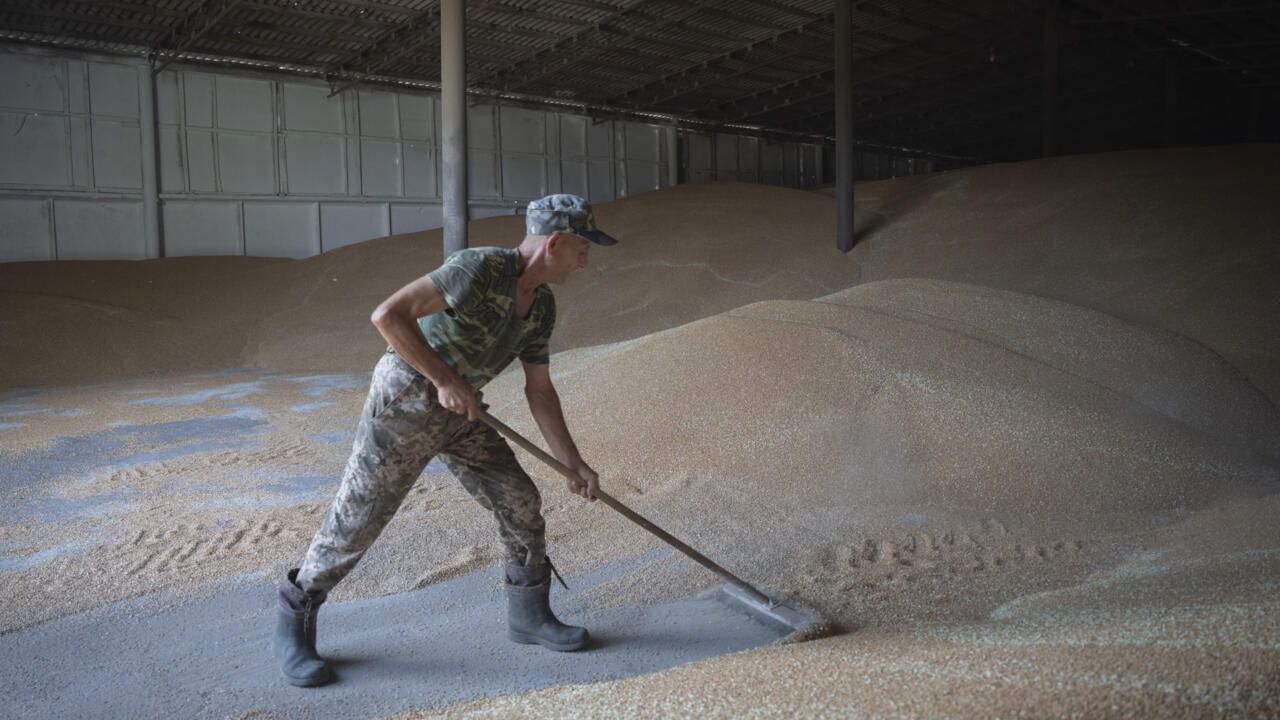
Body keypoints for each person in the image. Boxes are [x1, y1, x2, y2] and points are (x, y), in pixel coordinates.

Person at [273, 194, 617, 687]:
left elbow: (539, 389)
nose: (586, 260)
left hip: (463, 411)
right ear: (556, 242)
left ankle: (529, 616)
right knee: (357, 520)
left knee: (520, 500)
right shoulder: (479, 268)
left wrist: (573, 463)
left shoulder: (541, 306)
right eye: (583, 248)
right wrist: (442, 378)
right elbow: (389, 315)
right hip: (407, 401)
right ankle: (294, 621)